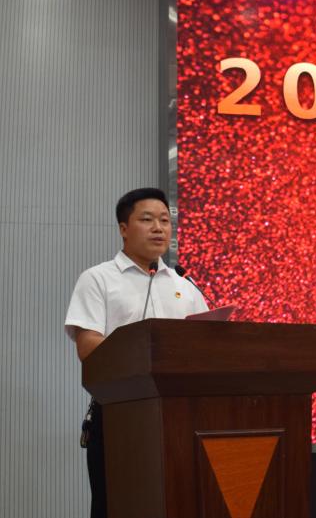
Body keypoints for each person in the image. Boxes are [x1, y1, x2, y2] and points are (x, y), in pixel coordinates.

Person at [64, 187, 208, 518]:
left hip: (184, 416)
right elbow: (89, 348)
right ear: (124, 228)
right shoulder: (98, 279)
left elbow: (207, 345)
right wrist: (145, 352)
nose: (159, 228)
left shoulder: (185, 285)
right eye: (147, 220)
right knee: (119, 505)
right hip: (121, 415)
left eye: (165, 220)